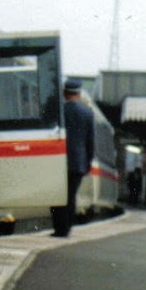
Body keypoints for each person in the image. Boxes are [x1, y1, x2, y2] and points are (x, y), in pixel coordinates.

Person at [51, 78, 95, 237]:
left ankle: (59, 229)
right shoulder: (87, 113)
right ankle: (67, 228)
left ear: (64, 93)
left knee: (56, 194)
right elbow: (90, 141)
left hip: (58, 161)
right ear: (79, 93)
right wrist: (88, 163)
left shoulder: (58, 111)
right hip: (78, 162)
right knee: (71, 195)